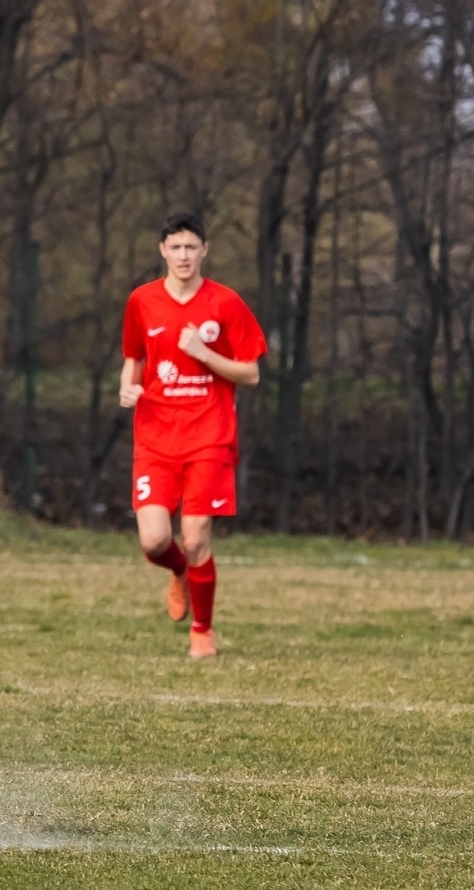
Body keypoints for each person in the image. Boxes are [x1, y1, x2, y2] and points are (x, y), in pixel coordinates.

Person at [119, 212, 265, 659]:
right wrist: (127, 384)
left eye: (191, 247)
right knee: (154, 541)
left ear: (205, 250)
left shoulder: (225, 303)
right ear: (162, 250)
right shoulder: (141, 301)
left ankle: (202, 630)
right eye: (175, 247)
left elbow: (251, 373)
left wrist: (204, 354)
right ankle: (179, 571)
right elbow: (134, 357)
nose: (183, 255)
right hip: (155, 437)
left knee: (198, 536)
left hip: (209, 435)